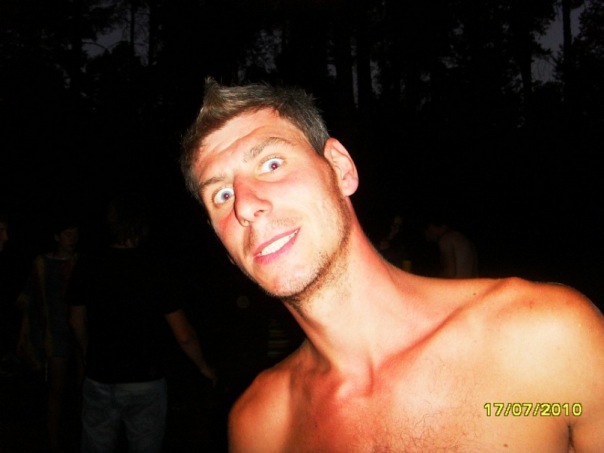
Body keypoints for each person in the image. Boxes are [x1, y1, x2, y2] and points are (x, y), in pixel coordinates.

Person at [180, 79, 604, 452]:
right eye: (222, 195)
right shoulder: (260, 426)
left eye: (272, 164)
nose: (246, 206)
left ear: (340, 169)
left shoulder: (544, 340)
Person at [67, 192, 215, 453]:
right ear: (143, 225)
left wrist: (88, 356)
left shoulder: (88, 264)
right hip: (145, 381)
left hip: (99, 376)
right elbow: (184, 334)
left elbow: (76, 322)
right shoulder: (155, 268)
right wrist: (203, 366)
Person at [16, 218, 80, 452]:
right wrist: (27, 332)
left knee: (82, 388)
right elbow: (30, 298)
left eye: (75, 234)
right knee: (56, 388)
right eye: (68, 234)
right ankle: (53, 440)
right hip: (55, 334)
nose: (72, 239)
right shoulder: (42, 263)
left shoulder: (80, 262)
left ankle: (80, 436)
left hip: (80, 333)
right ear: (57, 237)